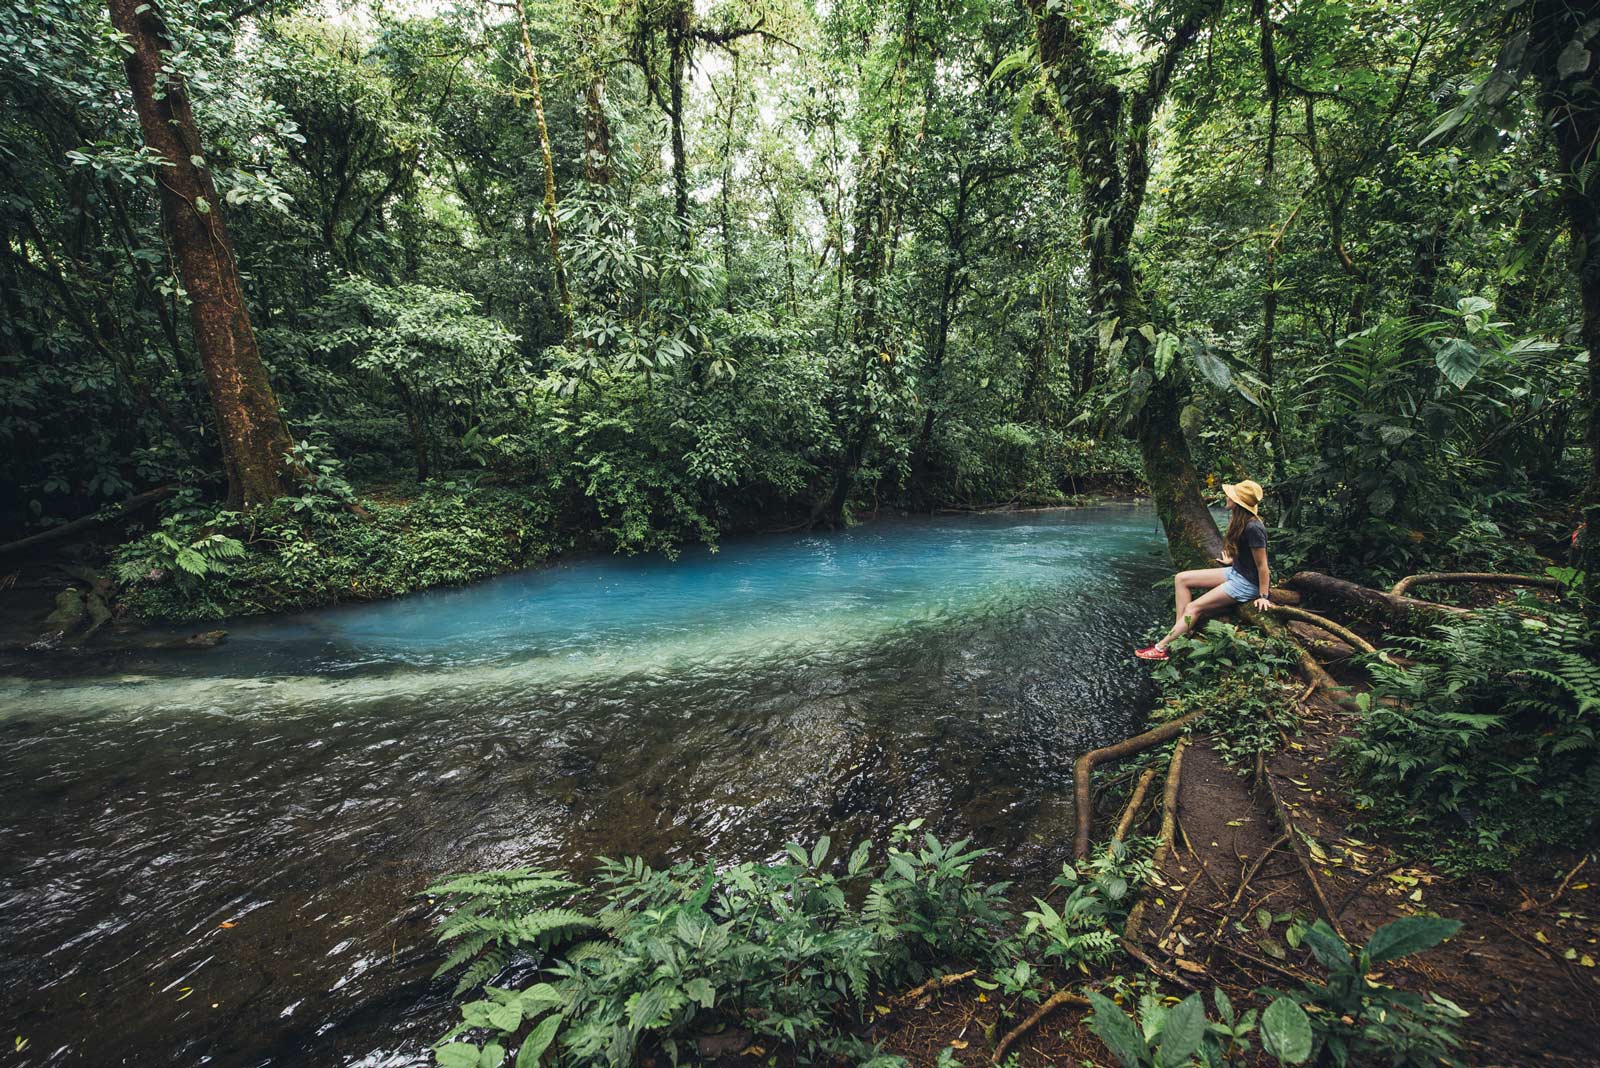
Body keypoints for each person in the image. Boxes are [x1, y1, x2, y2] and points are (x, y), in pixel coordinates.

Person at [1135, 479, 1272, 661]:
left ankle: (1162, 648)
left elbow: (1263, 565)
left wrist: (1263, 596)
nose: (1226, 497)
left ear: (1237, 502)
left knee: (1194, 607)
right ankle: (1182, 629)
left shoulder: (1254, 527)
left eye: (1230, 496)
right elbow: (1247, 552)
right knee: (1182, 578)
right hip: (1236, 572)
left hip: (1247, 584)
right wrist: (1231, 560)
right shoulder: (1242, 521)